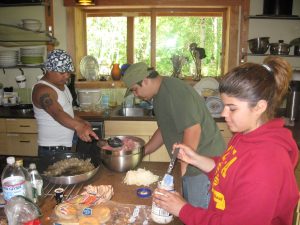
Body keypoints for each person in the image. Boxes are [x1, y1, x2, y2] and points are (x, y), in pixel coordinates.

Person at [153, 56, 299, 225]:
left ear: (259, 107)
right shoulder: (244, 136)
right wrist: (196, 159)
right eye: (224, 105)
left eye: (232, 108)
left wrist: (182, 209)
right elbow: (227, 171)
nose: (223, 114)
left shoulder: (267, 162)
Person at [122, 62, 226, 208]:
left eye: (135, 90)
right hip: (192, 165)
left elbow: (193, 129)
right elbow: (164, 129)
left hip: (203, 168)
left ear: (145, 80)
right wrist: (142, 152)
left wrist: (180, 173)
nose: (136, 95)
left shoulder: (174, 91)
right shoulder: (159, 96)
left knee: (199, 216)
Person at [32, 49, 98, 159]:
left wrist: (81, 121)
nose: (67, 76)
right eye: (62, 72)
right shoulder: (42, 90)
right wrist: (78, 126)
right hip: (52, 150)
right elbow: (57, 113)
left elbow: (66, 111)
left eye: (68, 72)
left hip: (65, 147)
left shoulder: (61, 85)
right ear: (49, 69)